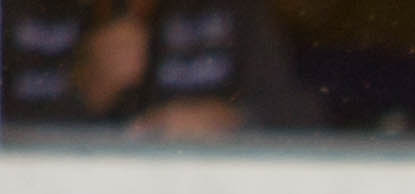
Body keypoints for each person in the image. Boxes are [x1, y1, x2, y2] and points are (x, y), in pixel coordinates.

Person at [2, 0, 247, 127]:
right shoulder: (21, 11)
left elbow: (279, 115)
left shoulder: (228, 8)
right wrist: (81, 94)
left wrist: (225, 121)